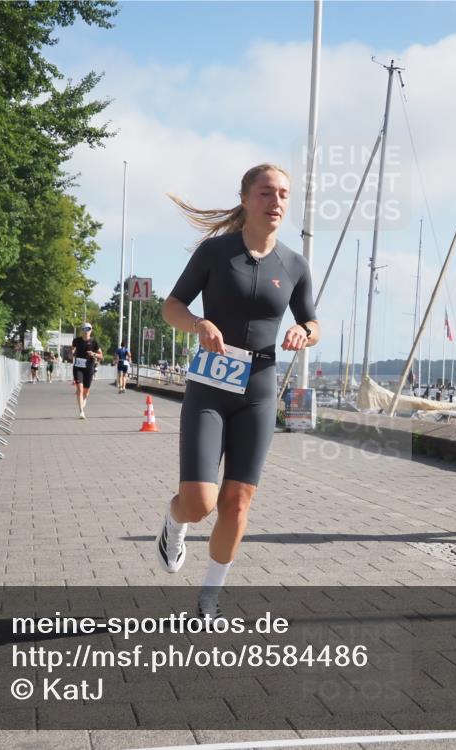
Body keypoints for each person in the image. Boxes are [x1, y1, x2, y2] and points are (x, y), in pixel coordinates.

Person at [158, 164, 319, 620]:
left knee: (238, 502)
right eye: (267, 193)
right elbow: (172, 306)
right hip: (210, 386)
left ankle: (209, 595)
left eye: (284, 194)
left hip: (259, 392)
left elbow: (312, 320)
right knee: (200, 503)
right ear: (247, 199)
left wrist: (304, 332)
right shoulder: (216, 253)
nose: (277, 202)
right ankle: (173, 523)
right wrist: (198, 323)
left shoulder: (294, 264)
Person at [70, 323, 102, 419]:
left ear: (91, 330)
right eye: (84, 329)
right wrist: (71, 353)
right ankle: (81, 412)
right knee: (80, 389)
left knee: (86, 391)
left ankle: (83, 402)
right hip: (78, 367)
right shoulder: (76, 341)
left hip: (89, 367)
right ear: (82, 330)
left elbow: (101, 356)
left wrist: (94, 354)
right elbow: (72, 351)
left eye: (88, 329)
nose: (86, 331)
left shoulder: (94, 342)